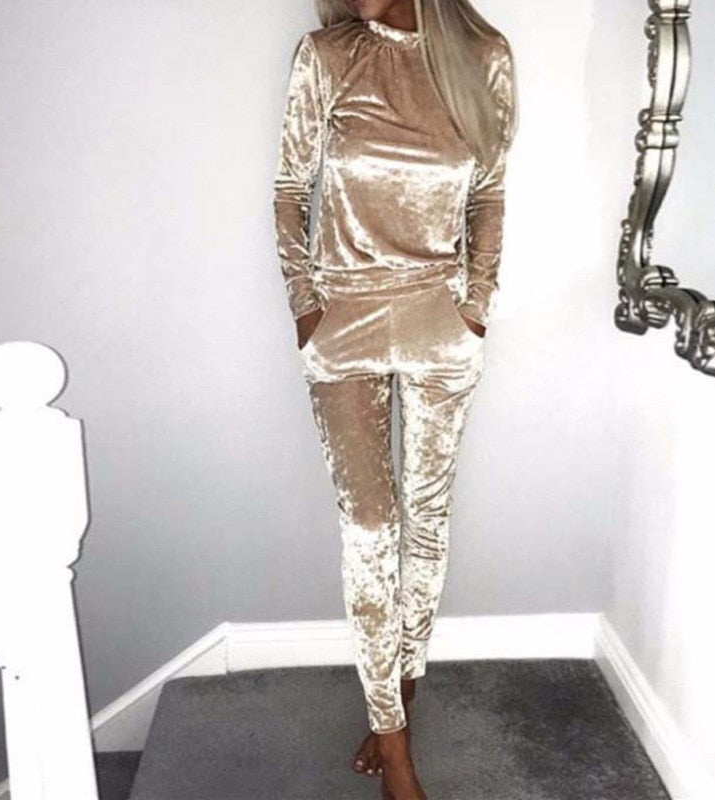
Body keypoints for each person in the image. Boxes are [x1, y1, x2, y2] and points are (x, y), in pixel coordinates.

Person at [272, 0, 517, 797]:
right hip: (343, 320)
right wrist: (306, 306)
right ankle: (395, 743)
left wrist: (475, 305)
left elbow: (488, 194)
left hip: (440, 319)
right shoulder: (326, 55)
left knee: (427, 520)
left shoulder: (484, 56)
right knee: (370, 529)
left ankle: (401, 689)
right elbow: (289, 190)